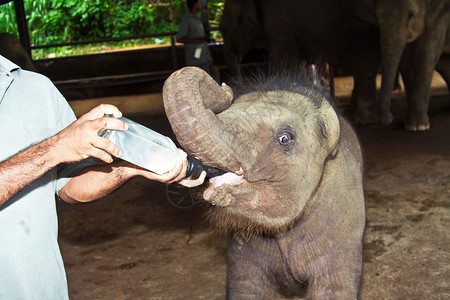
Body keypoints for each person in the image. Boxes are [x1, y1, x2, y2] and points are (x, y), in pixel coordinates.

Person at [0, 52, 205, 299]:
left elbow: (69, 188)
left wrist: (133, 166)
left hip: (40, 289)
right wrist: (55, 148)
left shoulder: (35, 89)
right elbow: (58, 149)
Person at [176, 0, 212, 74]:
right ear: (194, 4)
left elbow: (202, 40)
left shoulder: (197, 19)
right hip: (194, 59)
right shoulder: (187, 20)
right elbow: (179, 38)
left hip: (202, 57)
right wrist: (196, 40)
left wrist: (208, 57)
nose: (201, 4)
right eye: (199, 2)